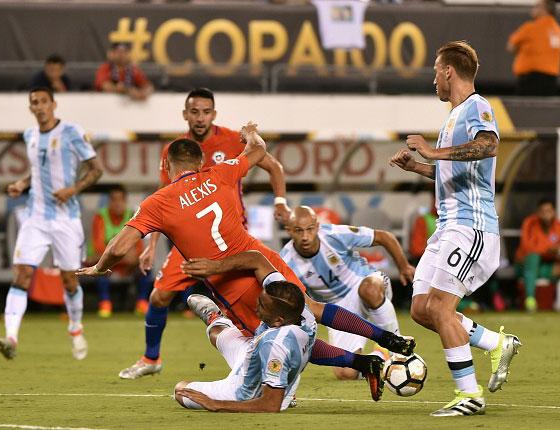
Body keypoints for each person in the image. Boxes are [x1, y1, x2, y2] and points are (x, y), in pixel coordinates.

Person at [78, 129, 415, 400]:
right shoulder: (220, 173)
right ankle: (385, 339)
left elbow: (120, 246)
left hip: (232, 283)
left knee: (284, 336)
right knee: (309, 309)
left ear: (167, 166)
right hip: (262, 258)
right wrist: (251, 134)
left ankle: (356, 363)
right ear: (199, 161)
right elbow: (258, 149)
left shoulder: (159, 201)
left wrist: (99, 267)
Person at [119, 88, 292, 379]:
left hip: (231, 239)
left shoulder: (229, 140)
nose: (200, 117)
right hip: (191, 244)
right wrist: (151, 246)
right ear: (185, 114)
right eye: (194, 112)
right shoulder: (175, 151)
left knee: (250, 307)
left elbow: (273, 166)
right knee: (159, 296)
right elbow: (164, 200)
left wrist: (280, 201)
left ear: (214, 113)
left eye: (206, 111)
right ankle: (151, 359)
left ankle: (270, 368)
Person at [389, 41, 521, 417]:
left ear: (448, 71)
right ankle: (496, 343)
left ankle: (469, 395)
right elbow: (455, 169)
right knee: (420, 309)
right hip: (448, 227)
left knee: (442, 308)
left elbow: (488, 146)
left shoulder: (476, 106)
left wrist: (431, 151)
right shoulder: (453, 115)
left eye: (435, 72)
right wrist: (419, 167)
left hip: (471, 227)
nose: (433, 80)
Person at [0, 87, 103, 361]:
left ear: (53, 104)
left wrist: (72, 190)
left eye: (44, 101)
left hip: (66, 219)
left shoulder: (71, 132)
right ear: (30, 108)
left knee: (69, 281)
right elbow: (37, 170)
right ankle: (11, 337)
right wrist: (22, 183)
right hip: (35, 218)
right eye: (34, 103)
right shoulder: (30, 136)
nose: (39, 107)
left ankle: (75, 327)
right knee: (21, 274)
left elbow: (96, 169)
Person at [280, 206, 415, 380]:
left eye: (310, 229)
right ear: (289, 231)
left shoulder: (334, 235)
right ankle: (378, 360)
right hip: (338, 310)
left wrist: (403, 266)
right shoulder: (286, 261)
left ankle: (396, 349)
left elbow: (384, 236)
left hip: (366, 282)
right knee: (346, 374)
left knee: (370, 290)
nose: (305, 236)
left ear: (317, 226)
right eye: (298, 231)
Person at [174, 262, 314, 412]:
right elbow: (256, 258)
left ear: (278, 320)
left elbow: (270, 405)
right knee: (218, 333)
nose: (256, 307)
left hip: (244, 394)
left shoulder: (275, 344)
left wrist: (215, 404)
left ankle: (278, 386)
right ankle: (215, 319)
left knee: (180, 390)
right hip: (253, 355)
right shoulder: (304, 315)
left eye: (262, 306)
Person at [86, 184, 153, 317]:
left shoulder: (133, 216)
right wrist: (121, 253)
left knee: (146, 265)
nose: (117, 203)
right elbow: (99, 247)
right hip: (106, 261)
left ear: (125, 201)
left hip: (127, 263)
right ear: (109, 202)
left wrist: (131, 256)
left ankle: (142, 303)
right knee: (100, 265)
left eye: (120, 199)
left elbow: (138, 248)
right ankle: (105, 303)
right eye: (114, 200)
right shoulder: (101, 217)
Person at [515, 199, 560, 312]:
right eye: (542, 211)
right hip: (523, 265)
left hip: (544, 267)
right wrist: (551, 249)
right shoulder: (529, 223)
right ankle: (530, 300)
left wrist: (558, 252)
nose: (546, 214)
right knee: (533, 257)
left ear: (554, 212)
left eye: (549, 211)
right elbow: (528, 248)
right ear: (537, 213)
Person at [507, 0, 560, 96]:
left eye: (537, 6)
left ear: (544, 9)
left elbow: (510, 46)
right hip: (551, 81)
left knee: (524, 109)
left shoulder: (531, 28)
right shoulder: (558, 30)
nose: (533, 9)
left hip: (530, 80)